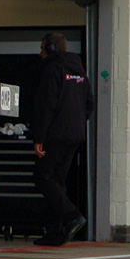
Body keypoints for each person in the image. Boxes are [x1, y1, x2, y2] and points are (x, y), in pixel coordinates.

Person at [31, 32, 94, 246]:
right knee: (57, 180)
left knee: (42, 177)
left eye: (42, 48)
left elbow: (46, 105)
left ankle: (72, 216)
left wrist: (39, 137)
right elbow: (89, 104)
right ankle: (56, 233)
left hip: (55, 134)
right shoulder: (79, 70)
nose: (40, 54)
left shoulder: (53, 69)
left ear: (51, 48)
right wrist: (75, 123)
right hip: (75, 135)